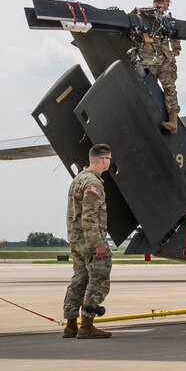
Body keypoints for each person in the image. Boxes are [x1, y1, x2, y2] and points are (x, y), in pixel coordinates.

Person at [63, 144, 114, 339]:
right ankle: (87, 324)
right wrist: (97, 243)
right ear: (103, 160)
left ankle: (70, 325)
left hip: (76, 240)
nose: (109, 162)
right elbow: (89, 215)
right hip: (89, 241)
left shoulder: (78, 179)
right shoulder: (93, 183)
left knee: (79, 280)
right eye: (109, 159)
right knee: (99, 278)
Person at [133, 0, 181, 134]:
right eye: (168, 3)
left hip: (162, 60)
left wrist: (176, 50)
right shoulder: (142, 13)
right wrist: (176, 50)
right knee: (164, 89)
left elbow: (176, 32)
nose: (168, 6)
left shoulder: (165, 18)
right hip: (150, 60)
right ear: (165, 1)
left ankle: (173, 122)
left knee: (168, 89)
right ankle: (146, 120)